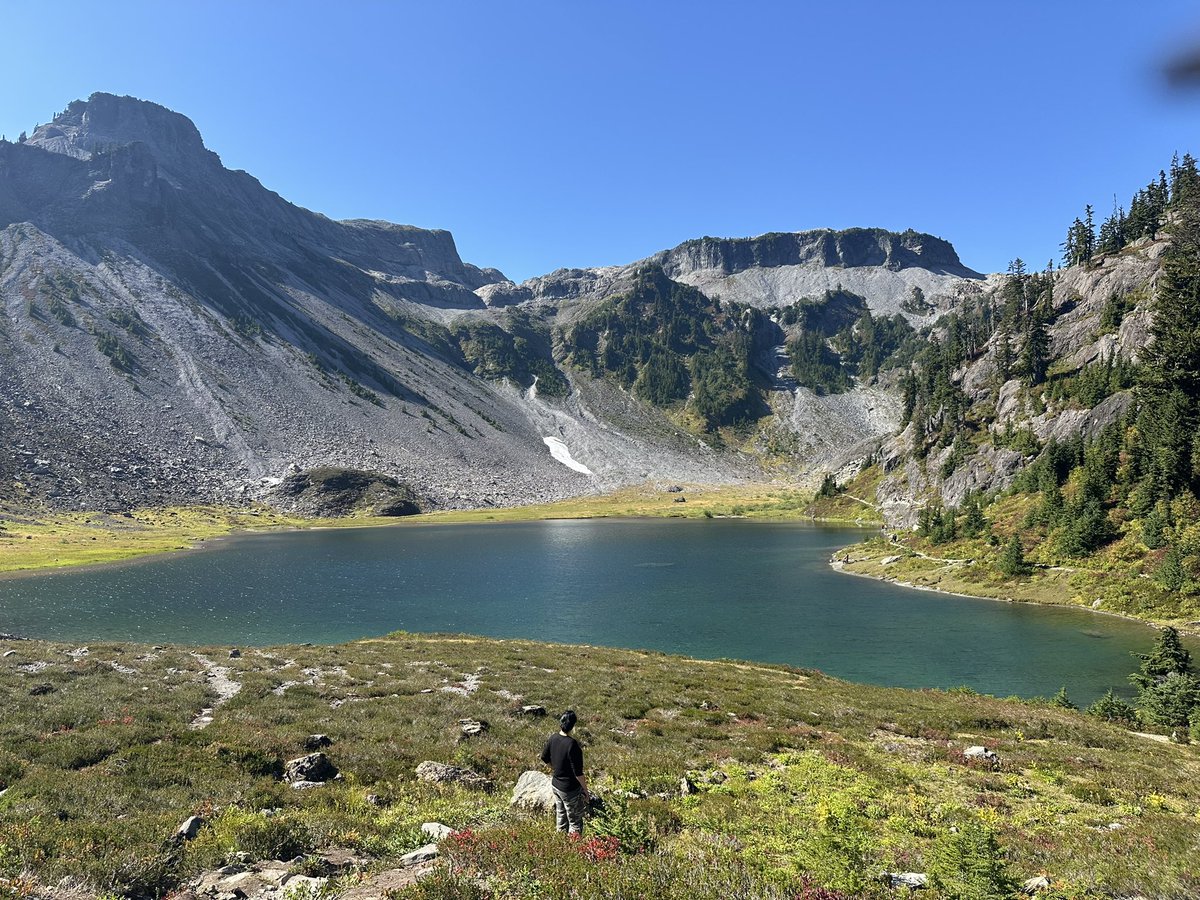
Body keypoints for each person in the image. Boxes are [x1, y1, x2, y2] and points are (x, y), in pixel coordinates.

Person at [540, 708, 589, 834]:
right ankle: (574, 849)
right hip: (570, 789)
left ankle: (560, 845)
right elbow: (578, 773)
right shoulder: (572, 745)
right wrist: (585, 790)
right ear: (573, 725)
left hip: (556, 784)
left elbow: (544, 758)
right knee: (575, 822)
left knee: (561, 816)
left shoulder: (553, 738)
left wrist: (555, 768)